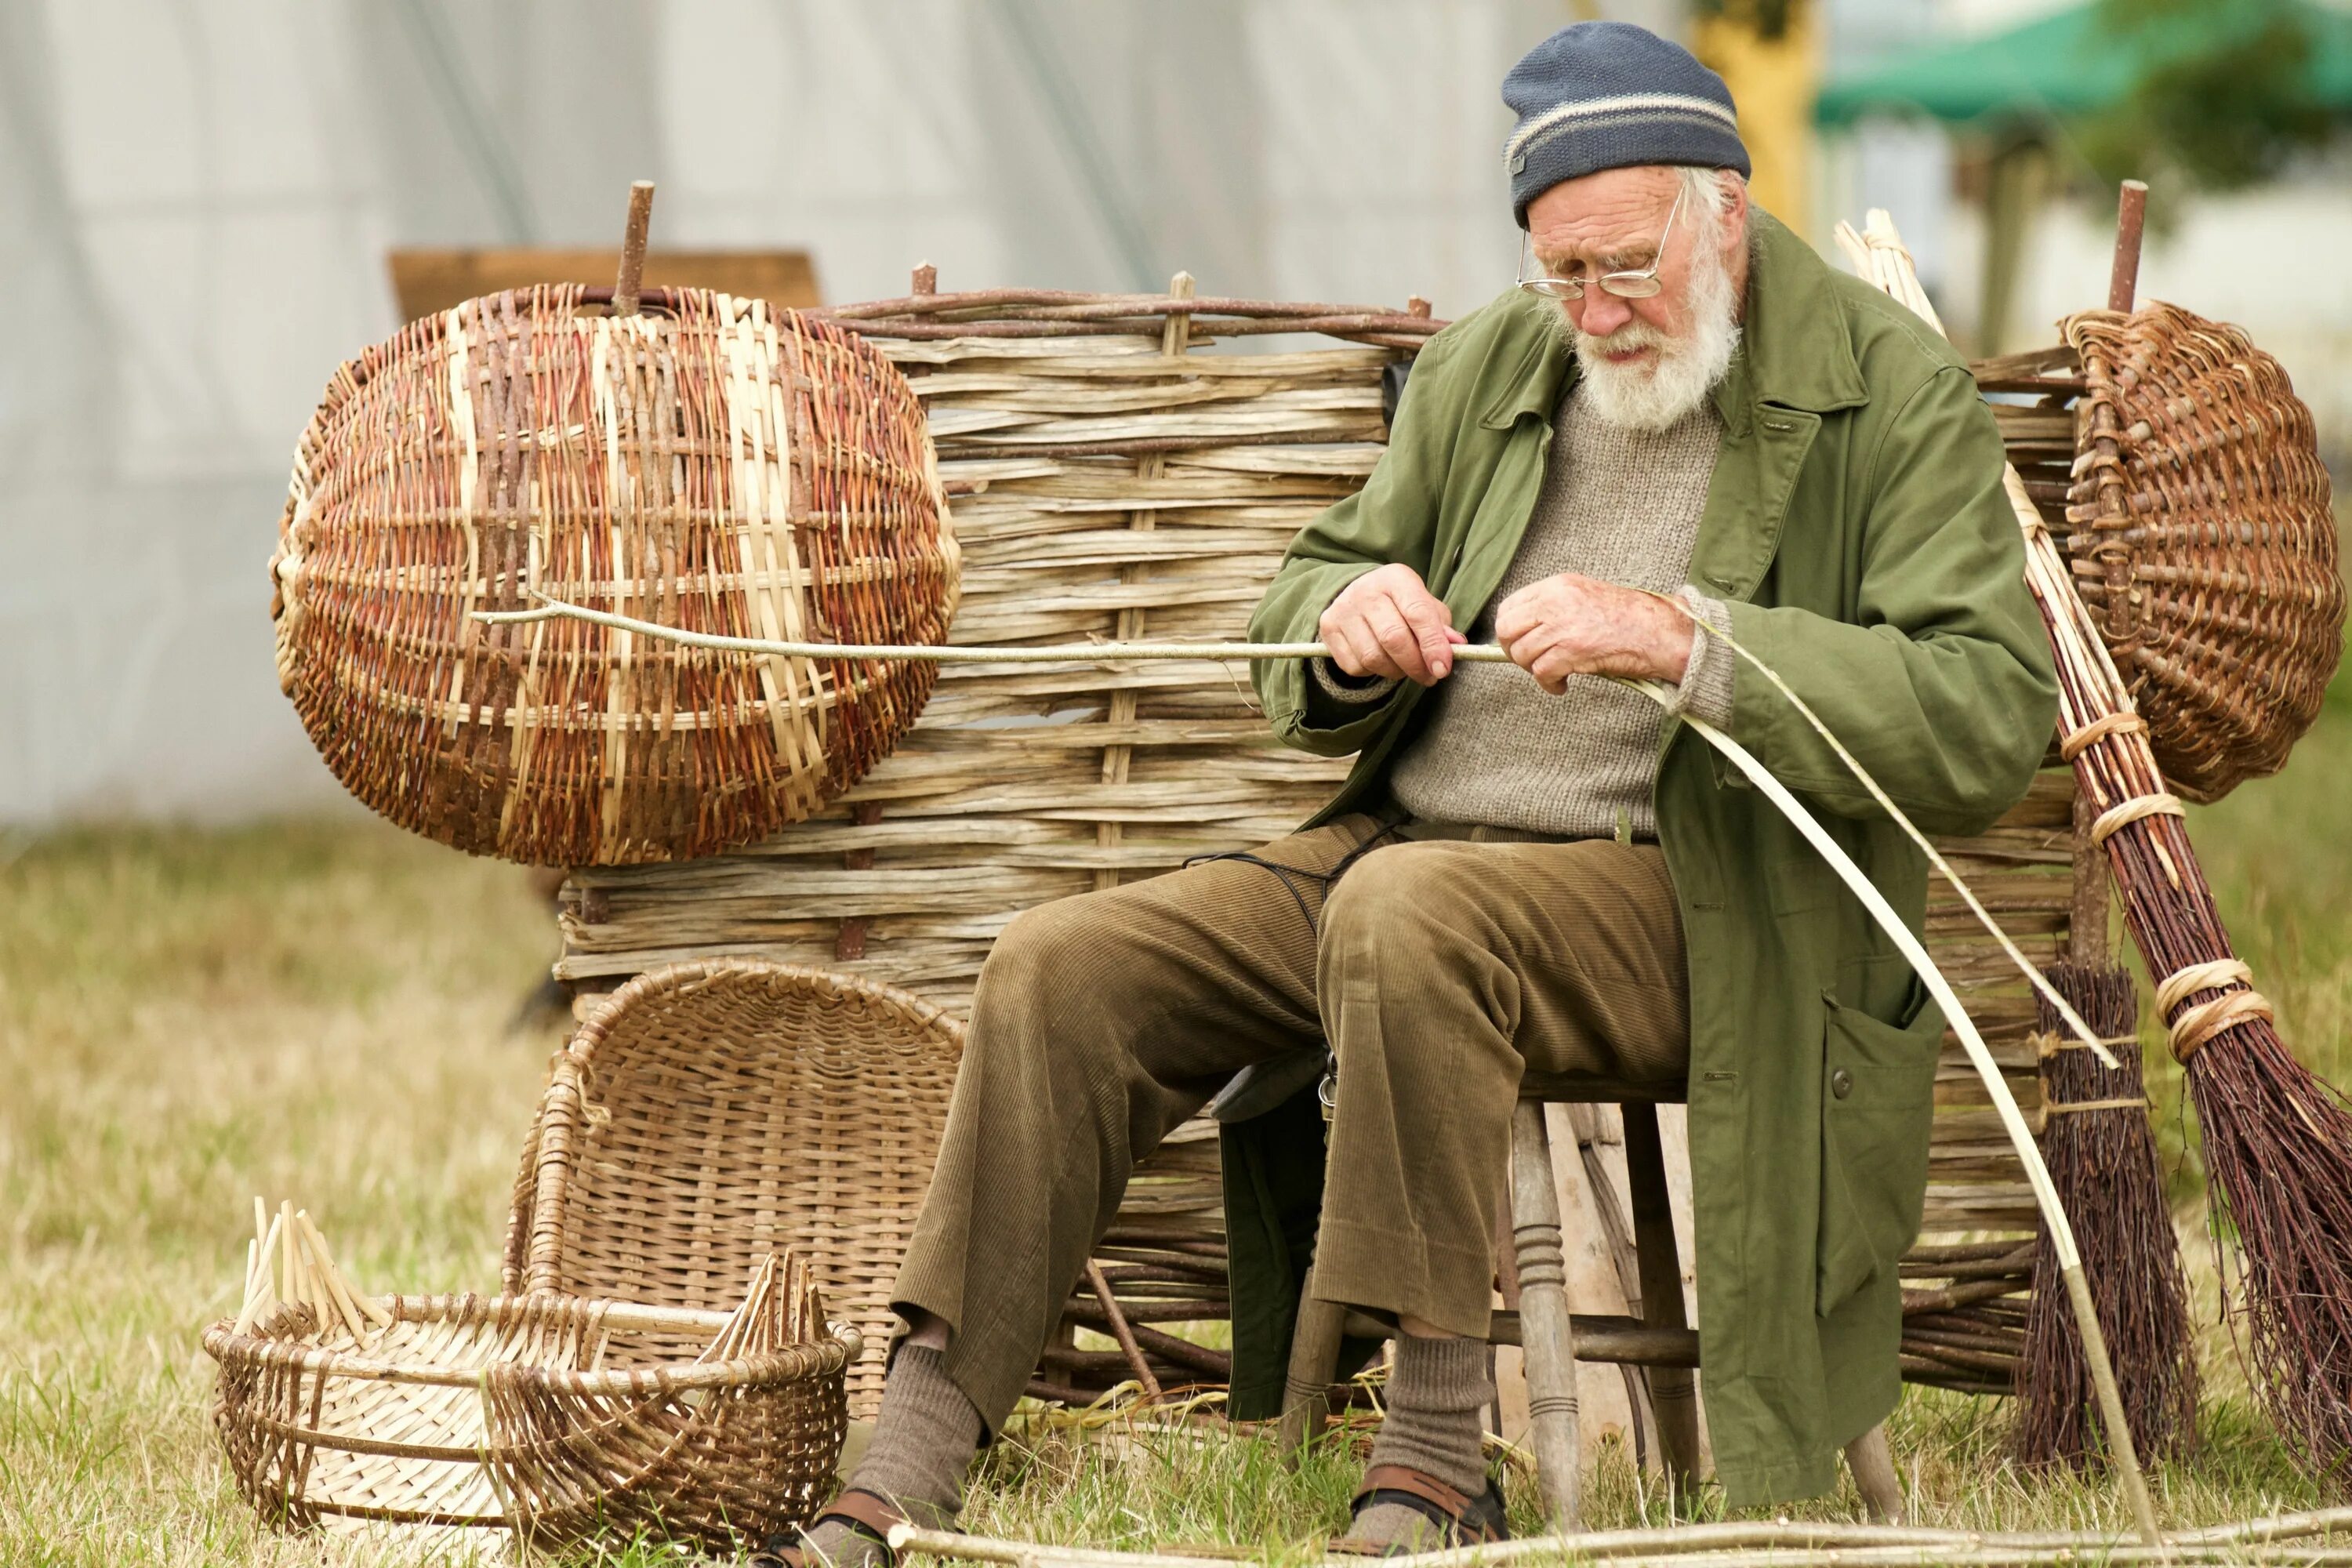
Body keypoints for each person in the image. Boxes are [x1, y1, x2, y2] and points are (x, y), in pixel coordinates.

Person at [764, 20, 2056, 1563]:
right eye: (1558, 273)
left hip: (1709, 896)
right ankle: (907, 1456)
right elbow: (1303, 595)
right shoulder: (1498, 366)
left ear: (1726, 209)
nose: (1594, 309)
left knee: (1410, 911)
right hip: (1408, 850)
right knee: (1064, 969)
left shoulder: (1889, 393)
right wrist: (1355, 626)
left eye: (1624, 265)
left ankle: (1440, 1452)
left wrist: (1687, 641)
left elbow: (1990, 714)